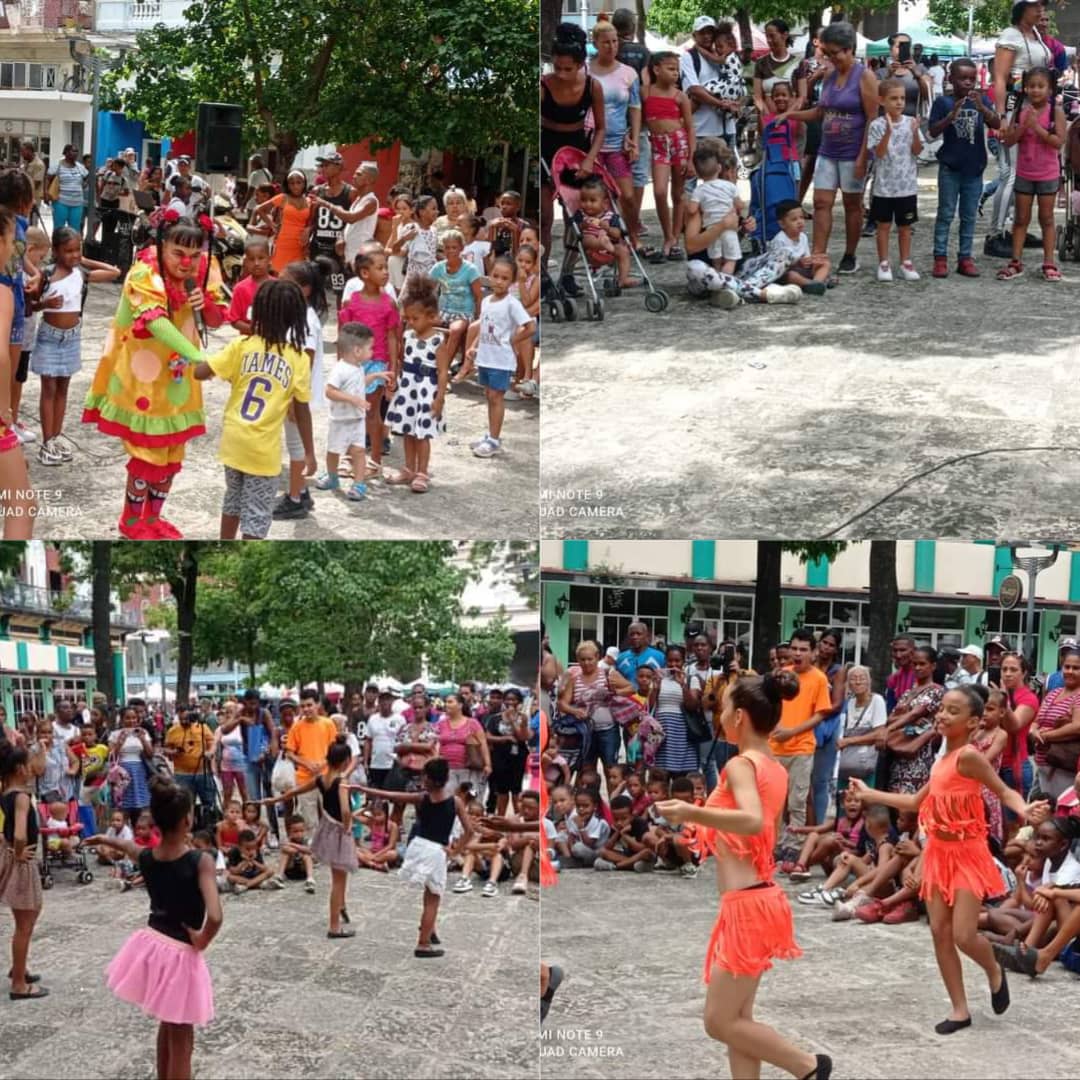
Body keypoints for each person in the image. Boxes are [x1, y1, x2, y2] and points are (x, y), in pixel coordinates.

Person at [656, 672, 829, 1080]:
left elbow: (752, 821)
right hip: (755, 900)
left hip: (749, 906)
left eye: (723, 708)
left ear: (740, 717)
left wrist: (692, 812)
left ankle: (809, 1067)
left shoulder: (741, 764)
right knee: (739, 1020)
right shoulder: (773, 767)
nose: (719, 716)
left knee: (719, 1021)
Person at [850, 685, 1048, 1034]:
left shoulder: (969, 757)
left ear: (973, 722)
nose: (942, 715)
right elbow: (915, 803)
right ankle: (959, 1009)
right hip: (938, 853)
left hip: (968, 853)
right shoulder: (941, 761)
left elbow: (1003, 791)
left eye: (953, 711)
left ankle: (994, 969)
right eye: (942, 708)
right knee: (939, 932)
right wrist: (869, 794)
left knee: (963, 935)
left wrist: (1024, 809)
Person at [82, 211, 226, 540]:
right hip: (143, 381)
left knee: (173, 453)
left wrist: (205, 304)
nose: (187, 263)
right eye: (178, 253)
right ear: (162, 246)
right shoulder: (144, 272)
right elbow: (155, 322)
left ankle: (153, 517)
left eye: (194, 255)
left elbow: (218, 319)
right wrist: (199, 357)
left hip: (179, 383)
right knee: (147, 454)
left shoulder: (207, 269)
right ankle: (131, 521)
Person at [83, 777, 222, 1079]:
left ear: (156, 822)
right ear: (187, 820)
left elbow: (128, 846)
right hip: (180, 952)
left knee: (167, 1021)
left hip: (153, 944)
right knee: (182, 1039)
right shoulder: (201, 861)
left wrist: (104, 838)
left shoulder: (148, 857)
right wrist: (202, 940)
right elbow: (215, 916)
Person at [194, 278, 314, 538]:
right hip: (263, 450)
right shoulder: (298, 359)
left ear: (257, 312)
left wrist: (202, 360)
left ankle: (224, 544)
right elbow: (302, 411)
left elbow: (200, 373)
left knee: (233, 500)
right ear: (295, 319)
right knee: (257, 514)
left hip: (234, 441)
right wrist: (310, 452)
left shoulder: (241, 346)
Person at [353, 757, 471, 957]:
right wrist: (455, 851)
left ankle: (429, 929)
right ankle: (423, 944)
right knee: (433, 899)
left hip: (419, 846)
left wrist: (364, 789)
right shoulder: (456, 802)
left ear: (427, 778)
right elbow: (469, 831)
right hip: (436, 851)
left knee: (428, 892)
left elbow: (391, 794)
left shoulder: (422, 797)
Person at [787, 22, 878, 276]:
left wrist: (863, 157)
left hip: (853, 151)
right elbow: (820, 111)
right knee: (820, 202)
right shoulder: (829, 75)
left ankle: (850, 255)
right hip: (827, 150)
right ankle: (819, 254)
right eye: (827, 53)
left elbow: (872, 118)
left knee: (852, 205)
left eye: (834, 53)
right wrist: (790, 115)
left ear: (849, 49)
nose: (830, 58)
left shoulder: (865, 76)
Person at [32, 228, 121, 466]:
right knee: (49, 389)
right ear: (55, 251)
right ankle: (46, 441)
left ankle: (56, 437)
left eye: (77, 250)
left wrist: (85, 260)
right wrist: (44, 303)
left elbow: (114, 272)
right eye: (68, 251)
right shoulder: (47, 275)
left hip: (72, 338)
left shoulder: (81, 273)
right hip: (50, 337)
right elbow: (29, 306)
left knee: (63, 389)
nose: (73, 255)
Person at [257, 736, 358, 935]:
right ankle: (334, 926)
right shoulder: (342, 782)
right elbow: (346, 810)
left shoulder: (322, 779)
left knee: (339, 875)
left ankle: (342, 906)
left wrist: (274, 800)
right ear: (346, 761)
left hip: (326, 828)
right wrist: (348, 827)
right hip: (339, 831)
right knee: (338, 881)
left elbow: (294, 791)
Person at [989, 0, 1053, 255]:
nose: (1040, 10)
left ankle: (1018, 228)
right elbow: (1000, 78)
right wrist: (1002, 116)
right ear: (1021, 8)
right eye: (1035, 5)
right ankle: (995, 234)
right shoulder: (1010, 35)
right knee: (1011, 174)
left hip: (1034, 110)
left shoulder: (1035, 34)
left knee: (1024, 173)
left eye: (1042, 5)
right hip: (1015, 110)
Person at [540, 23, 606, 271]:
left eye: (568, 69)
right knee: (545, 218)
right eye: (557, 67)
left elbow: (601, 128)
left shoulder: (592, 86)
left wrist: (589, 159)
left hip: (577, 149)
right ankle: (543, 274)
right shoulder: (544, 85)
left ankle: (567, 273)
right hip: (547, 145)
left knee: (575, 217)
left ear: (580, 65)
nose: (561, 73)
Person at [929, 57, 1001, 276]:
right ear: (951, 79)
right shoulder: (943, 102)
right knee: (946, 214)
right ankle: (940, 258)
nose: (968, 83)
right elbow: (932, 131)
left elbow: (996, 123)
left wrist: (982, 108)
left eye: (972, 78)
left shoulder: (981, 100)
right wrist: (950, 116)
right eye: (962, 78)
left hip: (974, 167)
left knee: (969, 216)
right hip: (950, 167)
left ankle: (965, 258)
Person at [996, 66, 1066, 281]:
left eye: (1040, 86)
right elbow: (1008, 141)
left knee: (1047, 219)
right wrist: (1023, 126)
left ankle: (1049, 262)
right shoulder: (1020, 111)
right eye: (1031, 86)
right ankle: (1015, 261)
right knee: (1020, 219)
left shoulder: (1055, 112)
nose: (1035, 90)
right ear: (1025, 88)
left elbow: (1058, 142)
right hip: (1025, 173)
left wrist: (1037, 127)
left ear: (1050, 89)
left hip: (1047, 174)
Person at [770, 627, 833, 863]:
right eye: (794, 649)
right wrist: (776, 727)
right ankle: (776, 843)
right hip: (775, 746)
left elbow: (820, 714)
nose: (798, 654)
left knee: (797, 801)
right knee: (775, 801)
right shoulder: (782, 675)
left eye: (803, 649)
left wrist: (792, 732)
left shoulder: (819, 678)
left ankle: (793, 844)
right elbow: (770, 704)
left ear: (813, 653)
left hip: (801, 748)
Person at [464, 255, 534, 459]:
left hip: (501, 360)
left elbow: (530, 327)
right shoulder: (486, 301)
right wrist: (473, 346)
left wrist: (513, 340)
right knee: (489, 396)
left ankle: (494, 440)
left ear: (512, 281)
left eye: (505, 278)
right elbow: (484, 326)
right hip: (486, 358)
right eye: (495, 276)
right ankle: (491, 435)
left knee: (496, 397)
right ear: (489, 276)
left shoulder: (512, 304)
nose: (499, 281)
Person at [588, 19, 643, 252]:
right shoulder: (585, 71)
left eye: (614, 41)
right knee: (596, 198)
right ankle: (603, 240)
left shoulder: (628, 73)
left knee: (627, 195)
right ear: (595, 43)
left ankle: (633, 235)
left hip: (618, 143)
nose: (611, 46)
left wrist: (635, 138)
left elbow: (635, 107)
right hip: (591, 144)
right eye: (606, 42)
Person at [0, 739, 46, 1000]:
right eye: (29, 765)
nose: (32, 770)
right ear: (20, 769)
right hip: (22, 862)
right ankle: (19, 984)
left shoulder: (6, 792)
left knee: (27, 917)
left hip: (13, 858)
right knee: (25, 923)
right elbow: (19, 833)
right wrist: (18, 852)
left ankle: (19, 968)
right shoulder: (21, 797)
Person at [867, 79, 923, 282]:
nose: (899, 102)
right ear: (882, 101)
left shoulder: (910, 122)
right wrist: (888, 133)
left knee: (905, 227)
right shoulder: (877, 125)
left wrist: (915, 132)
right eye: (893, 98)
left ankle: (905, 262)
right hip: (884, 187)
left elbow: (917, 150)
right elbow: (879, 154)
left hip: (906, 187)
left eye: (902, 98)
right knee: (883, 226)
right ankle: (884, 263)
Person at [642, 51, 695, 261]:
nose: (675, 73)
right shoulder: (645, 92)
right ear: (656, 69)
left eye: (677, 69)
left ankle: (674, 240)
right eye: (671, 68)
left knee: (678, 193)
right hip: (658, 145)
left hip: (679, 143)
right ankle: (668, 235)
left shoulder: (680, 96)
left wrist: (691, 158)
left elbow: (690, 128)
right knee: (659, 191)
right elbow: (639, 117)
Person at [282, 691, 338, 827]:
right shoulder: (296, 727)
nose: (306, 709)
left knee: (330, 816)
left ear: (317, 704)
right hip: (304, 778)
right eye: (303, 706)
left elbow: (335, 748)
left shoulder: (328, 724)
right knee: (309, 819)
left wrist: (324, 762)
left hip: (327, 777)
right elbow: (289, 753)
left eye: (309, 705)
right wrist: (306, 763)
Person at [1031, 648, 1080, 799]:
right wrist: (1033, 731)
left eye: (1076, 668)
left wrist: (1046, 736)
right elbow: (1036, 721)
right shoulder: (1053, 693)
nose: (1070, 671)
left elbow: (1077, 727)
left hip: (1063, 768)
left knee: (1060, 810)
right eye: (1067, 667)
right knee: (1037, 809)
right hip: (1042, 765)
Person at [307, 152, 353, 306]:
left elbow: (352, 220)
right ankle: (317, 315)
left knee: (339, 288)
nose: (323, 168)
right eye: (323, 165)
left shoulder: (350, 192)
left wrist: (343, 237)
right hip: (318, 246)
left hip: (337, 250)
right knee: (315, 287)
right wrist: (308, 233)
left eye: (327, 165)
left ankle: (341, 316)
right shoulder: (317, 191)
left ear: (339, 167)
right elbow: (312, 218)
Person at [254, 170, 311, 274]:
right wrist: (272, 225)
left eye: (299, 182)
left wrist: (308, 229)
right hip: (284, 242)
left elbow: (312, 221)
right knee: (280, 274)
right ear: (288, 185)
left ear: (304, 184)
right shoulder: (283, 198)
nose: (295, 186)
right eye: (292, 183)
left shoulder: (309, 201)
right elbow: (259, 209)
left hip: (300, 245)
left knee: (297, 276)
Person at [163, 707, 216, 811]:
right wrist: (173, 752)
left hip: (203, 773)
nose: (184, 721)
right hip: (182, 774)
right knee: (186, 805)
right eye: (181, 719)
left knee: (209, 803)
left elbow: (212, 743)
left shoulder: (202, 727)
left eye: (186, 719)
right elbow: (165, 749)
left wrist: (210, 753)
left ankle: (208, 819)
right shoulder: (172, 730)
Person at [753, 19, 806, 114]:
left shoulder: (798, 63)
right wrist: (767, 116)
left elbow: (802, 97)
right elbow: (758, 97)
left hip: (793, 119)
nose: (768, 40)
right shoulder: (761, 63)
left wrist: (787, 116)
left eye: (772, 36)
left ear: (785, 35)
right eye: (767, 36)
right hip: (768, 120)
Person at [45, 145, 89, 232]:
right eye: (73, 151)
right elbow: (47, 178)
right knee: (59, 228)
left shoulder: (80, 167)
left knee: (74, 229)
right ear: (66, 153)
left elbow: (87, 177)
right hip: (61, 202)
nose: (75, 153)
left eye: (77, 151)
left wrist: (83, 185)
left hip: (77, 203)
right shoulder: (58, 165)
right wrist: (46, 193)